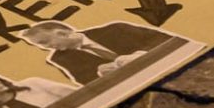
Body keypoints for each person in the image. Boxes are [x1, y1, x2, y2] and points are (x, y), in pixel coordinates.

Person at [19, 20, 173, 85]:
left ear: (62, 33)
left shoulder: (114, 28)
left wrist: (143, 54)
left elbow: (162, 38)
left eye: (45, 42)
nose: (45, 48)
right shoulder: (60, 59)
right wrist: (101, 74)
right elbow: (86, 82)